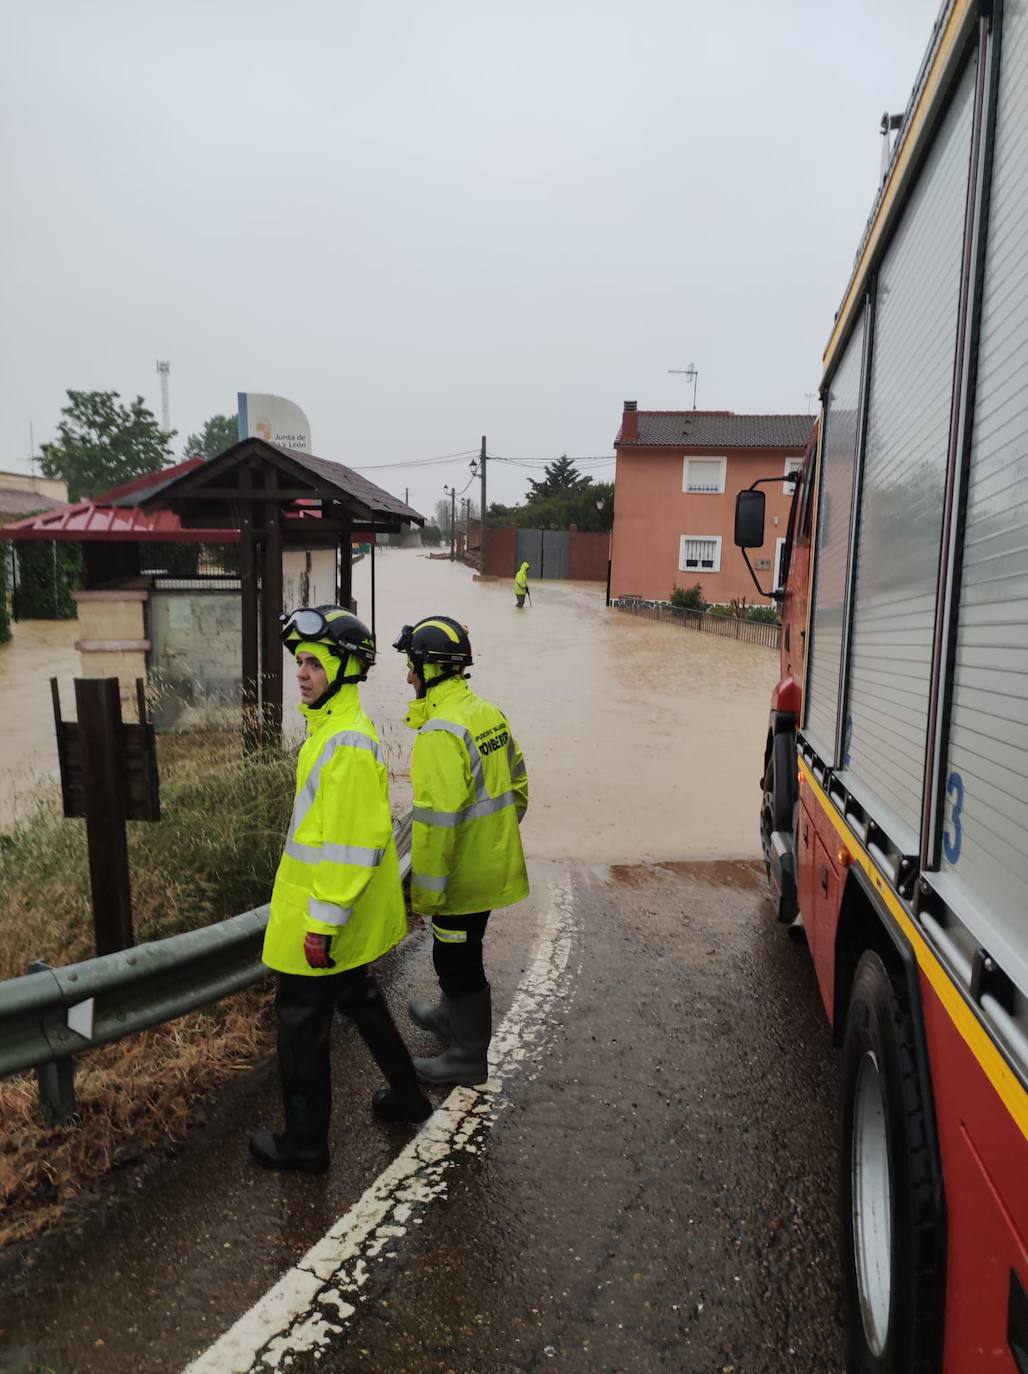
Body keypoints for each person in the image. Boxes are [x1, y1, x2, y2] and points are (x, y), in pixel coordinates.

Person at [249, 605, 432, 1175]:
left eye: (313, 663)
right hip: (330, 913)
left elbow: (354, 845)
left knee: (302, 1023)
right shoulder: (332, 731)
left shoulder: (346, 743)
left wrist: (321, 923)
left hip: (321, 918)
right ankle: (408, 1095)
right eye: (299, 661)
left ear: (346, 669)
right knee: (358, 997)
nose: (301, 673)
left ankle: (305, 1144)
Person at [393, 616, 529, 1086]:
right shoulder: (487, 712)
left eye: (412, 666)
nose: (408, 676)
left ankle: (468, 1056)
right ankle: (451, 1018)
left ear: (430, 669)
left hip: (460, 878)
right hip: (490, 869)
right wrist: (498, 841)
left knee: (457, 960)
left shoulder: (439, 733)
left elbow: (436, 826)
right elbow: (519, 784)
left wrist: (425, 895)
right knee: (461, 952)